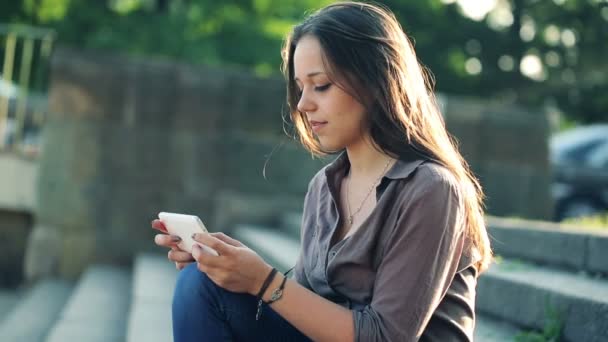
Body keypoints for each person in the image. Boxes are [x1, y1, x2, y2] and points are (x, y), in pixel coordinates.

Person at [152, 2, 492, 341]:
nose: (302, 104)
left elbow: (385, 336)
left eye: (321, 85)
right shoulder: (325, 187)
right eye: (301, 87)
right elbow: (304, 311)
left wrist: (263, 280)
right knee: (200, 284)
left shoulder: (431, 188)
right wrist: (227, 270)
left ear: (376, 81)